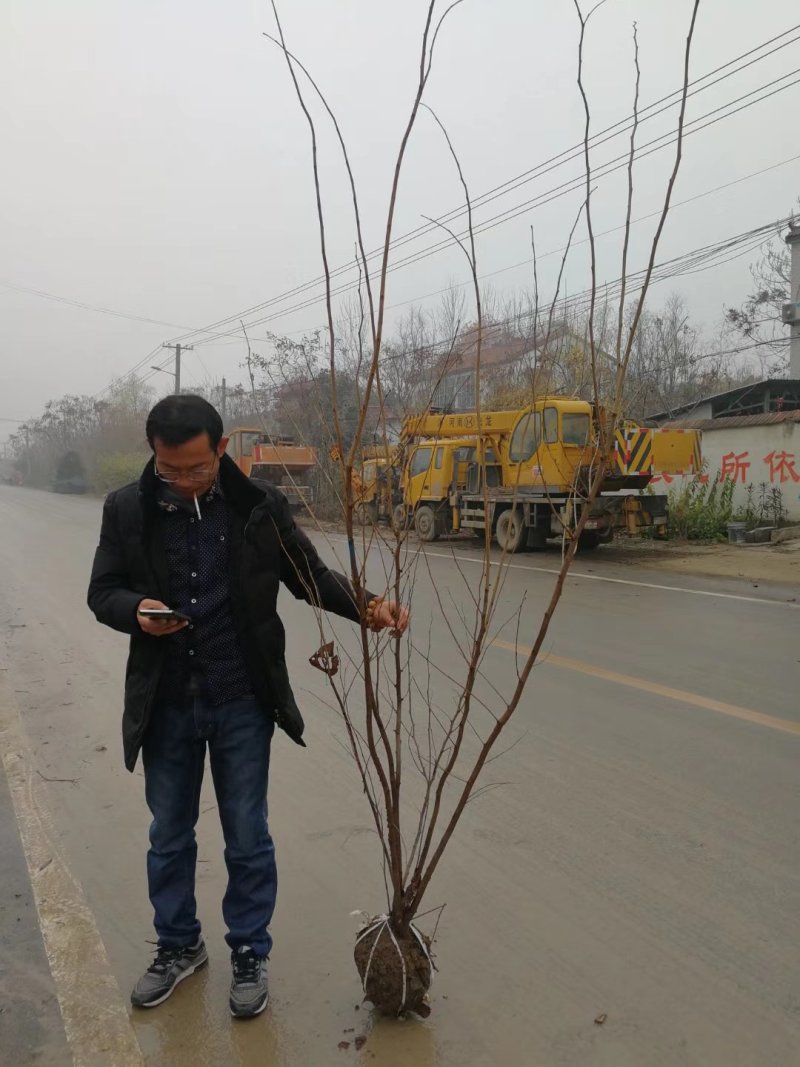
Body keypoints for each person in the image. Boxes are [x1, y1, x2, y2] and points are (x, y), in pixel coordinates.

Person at [87, 394, 407, 1019]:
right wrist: (138, 612)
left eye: (196, 469)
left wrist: (369, 607)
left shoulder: (259, 508)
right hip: (168, 703)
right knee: (170, 835)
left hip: (242, 700)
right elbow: (103, 591)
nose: (182, 481)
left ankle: (249, 953)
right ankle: (179, 948)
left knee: (247, 836)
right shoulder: (127, 509)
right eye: (169, 469)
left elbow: (309, 576)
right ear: (154, 454)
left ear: (222, 449)